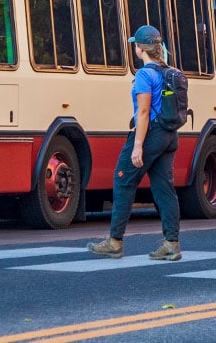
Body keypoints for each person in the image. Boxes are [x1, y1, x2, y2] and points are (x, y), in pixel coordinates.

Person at [87, 25, 182, 261]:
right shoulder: (168, 71)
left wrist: (138, 145)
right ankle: (171, 244)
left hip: (150, 133)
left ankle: (115, 241)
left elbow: (143, 111)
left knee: (123, 180)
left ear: (140, 49)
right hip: (170, 134)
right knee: (164, 189)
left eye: (136, 46)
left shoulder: (144, 75)